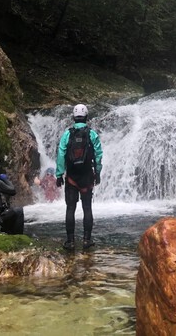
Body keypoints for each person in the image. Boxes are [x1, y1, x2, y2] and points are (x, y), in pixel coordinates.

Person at [56, 103, 103, 251]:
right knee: (87, 208)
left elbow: (61, 154)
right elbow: (98, 155)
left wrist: (59, 174)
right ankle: (86, 240)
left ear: (73, 117)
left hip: (71, 177)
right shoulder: (92, 134)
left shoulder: (67, 134)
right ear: (87, 116)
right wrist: (98, 173)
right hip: (87, 176)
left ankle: (70, 241)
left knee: (70, 208)